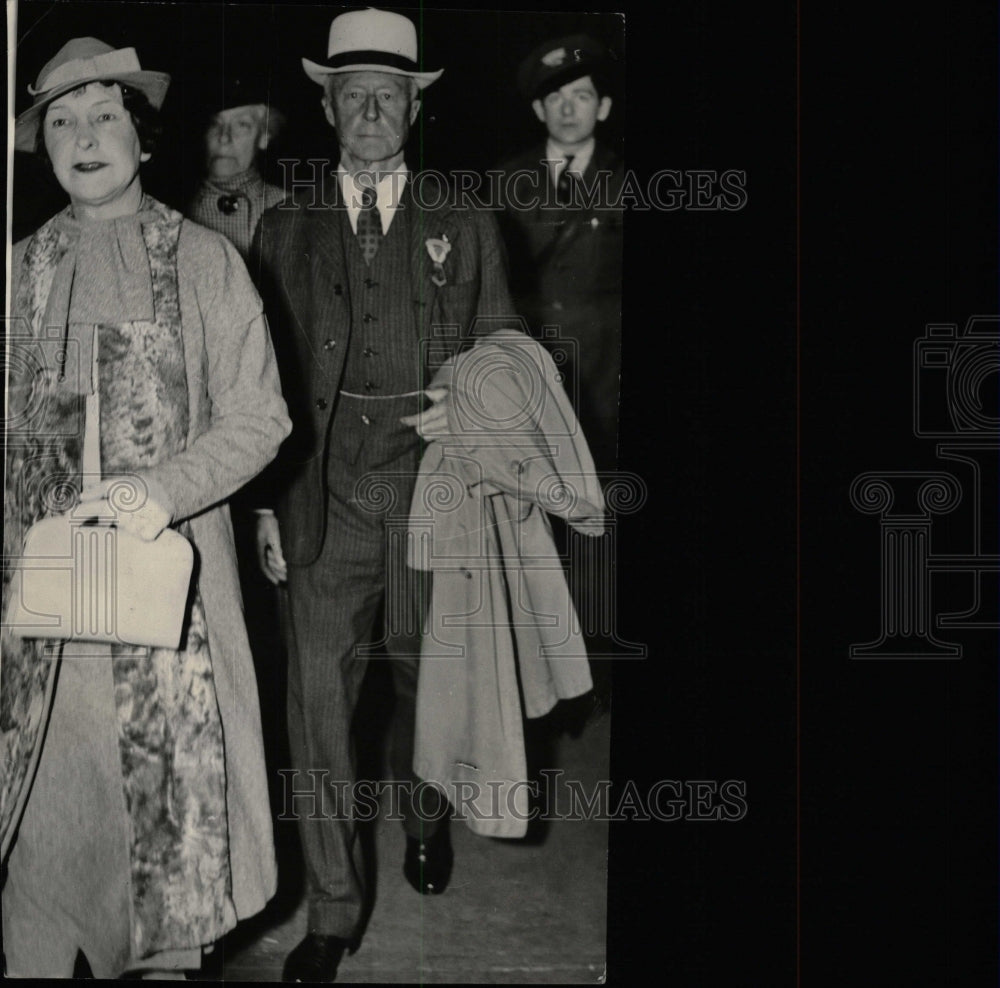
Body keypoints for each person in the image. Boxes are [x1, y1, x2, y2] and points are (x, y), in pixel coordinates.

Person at [2, 37, 291, 979]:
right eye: (61, 121)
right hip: (38, 634)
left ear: (144, 135)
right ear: (42, 147)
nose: (84, 138)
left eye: (104, 115)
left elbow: (261, 418)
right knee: (39, 863)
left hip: (171, 623)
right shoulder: (17, 270)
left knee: (165, 873)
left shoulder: (205, 262)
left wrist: (160, 490)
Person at [249, 8, 519, 982]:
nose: (370, 109)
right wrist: (262, 508)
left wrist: (476, 416)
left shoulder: (466, 216)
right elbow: (258, 381)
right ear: (326, 108)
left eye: (389, 94)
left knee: (424, 684)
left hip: (435, 489)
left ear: (414, 107)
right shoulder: (287, 226)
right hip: (323, 499)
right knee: (317, 707)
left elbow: (510, 354)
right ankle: (331, 908)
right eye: (352, 93)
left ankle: (426, 813)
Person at [496, 34, 624, 474]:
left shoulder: (628, 181)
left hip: (605, 375)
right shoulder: (503, 182)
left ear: (603, 107)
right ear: (538, 110)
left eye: (581, 96)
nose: (568, 110)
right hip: (530, 368)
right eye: (555, 97)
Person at [187, 78, 286, 259]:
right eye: (215, 124)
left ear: (264, 136)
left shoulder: (289, 209)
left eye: (242, 125)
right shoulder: (177, 209)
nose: (224, 138)